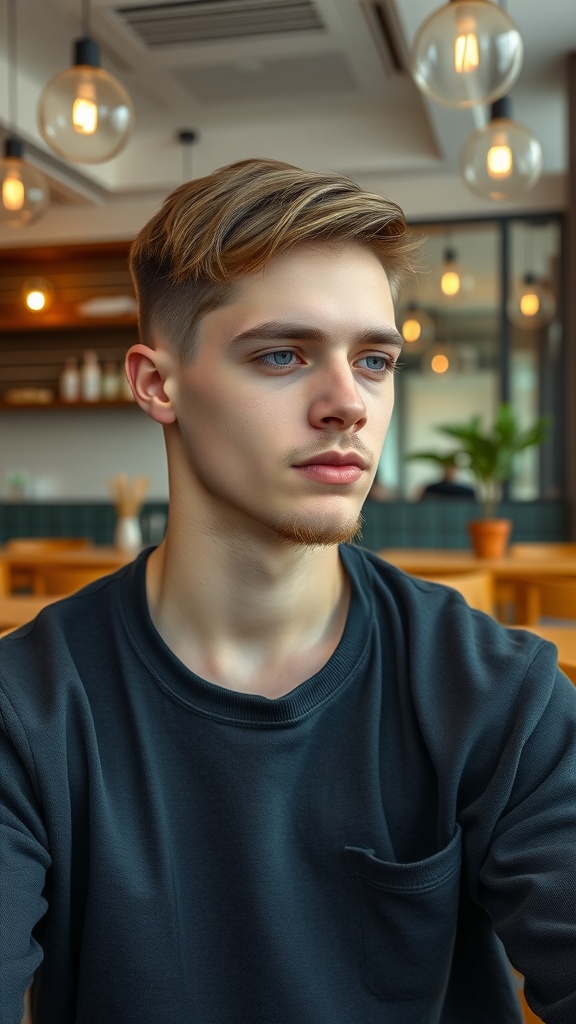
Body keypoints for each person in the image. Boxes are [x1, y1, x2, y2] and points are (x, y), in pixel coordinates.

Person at [1, 158, 575, 1024]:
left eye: (375, 359)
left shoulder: (499, 694)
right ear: (158, 384)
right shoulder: (27, 711)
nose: (349, 403)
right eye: (282, 354)